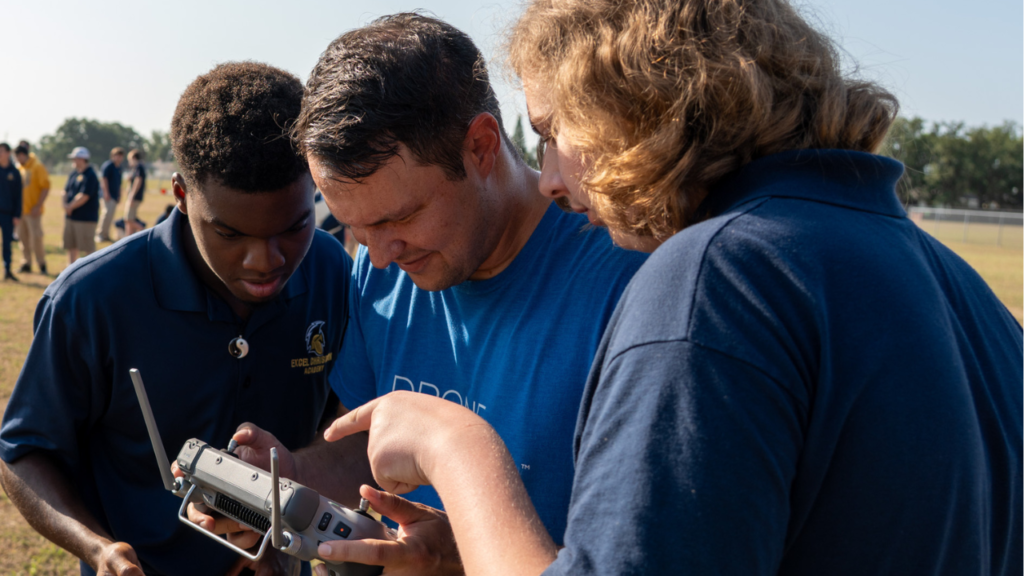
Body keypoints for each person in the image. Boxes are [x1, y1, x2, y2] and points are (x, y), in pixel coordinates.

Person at [319, 1, 1024, 575]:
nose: (552, 178)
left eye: (552, 130)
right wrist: (462, 550)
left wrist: (456, 446)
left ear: (640, 104)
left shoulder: (718, 277)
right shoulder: (957, 285)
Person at [191, 13, 647, 574]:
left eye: (399, 218)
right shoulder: (384, 272)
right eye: (355, 227)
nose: (379, 255)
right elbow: (373, 447)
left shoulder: (628, 276)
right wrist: (292, 476)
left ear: (480, 147)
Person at [0, 61, 354, 576]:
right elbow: (24, 453)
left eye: (294, 226)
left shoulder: (332, 271)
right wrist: (99, 549)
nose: (267, 260)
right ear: (182, 196)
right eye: (231, 234)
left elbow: (344, 424)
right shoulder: (91, 298)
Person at [14, 144, 49, 275]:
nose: (17, 159)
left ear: (23, 155)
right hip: (20, 211)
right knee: (23, 239)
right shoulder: (19, 168)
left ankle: (42, 264)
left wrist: (38, 205)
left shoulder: (37, 166)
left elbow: (45, 186)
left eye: (18, 156)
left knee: (36, 239)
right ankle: (26, 263)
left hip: (33, 211)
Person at [62, 147, 99, 264]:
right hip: (71, 217)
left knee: (87, 247)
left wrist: (70, 206)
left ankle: (93, 272)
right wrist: (64, 204)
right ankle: (70, 270)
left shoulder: (91, 175)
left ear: (83, 159)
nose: (73, 161)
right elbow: (65, 191)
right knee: (71, 245)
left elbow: (84, 196)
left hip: (85, 218)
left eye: (75, 158)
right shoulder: (73, 173)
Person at [0, 143, 22, 281]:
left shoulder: (14, 172)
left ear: (8, 153)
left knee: (7, 243)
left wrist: (16, 214)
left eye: (2, 151)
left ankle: (7, 270)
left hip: (7, 214)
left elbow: (18, 196)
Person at [97, 147, 125, 242]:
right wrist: (106, 193)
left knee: (111, 215)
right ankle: (100, 234)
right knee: (106, 213)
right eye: (117, 156)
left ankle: (106, 234)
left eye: (121, 156)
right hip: (107, 195)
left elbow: (119, 183)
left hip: (114, 195)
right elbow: (104, 179)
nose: (119, 158)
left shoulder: (119, 168)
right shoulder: (108, 165)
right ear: (113, 156)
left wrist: (119, 194)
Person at [124, 149, 146, 236]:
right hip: (133, 196)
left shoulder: (138, 166)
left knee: (128, 219)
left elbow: (138, 181)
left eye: (129, 159)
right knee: (129, 220)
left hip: (135, 197)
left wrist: (131, 196)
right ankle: (127, 238)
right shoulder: (136, 168)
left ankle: (144, 232)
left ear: (133, 157)